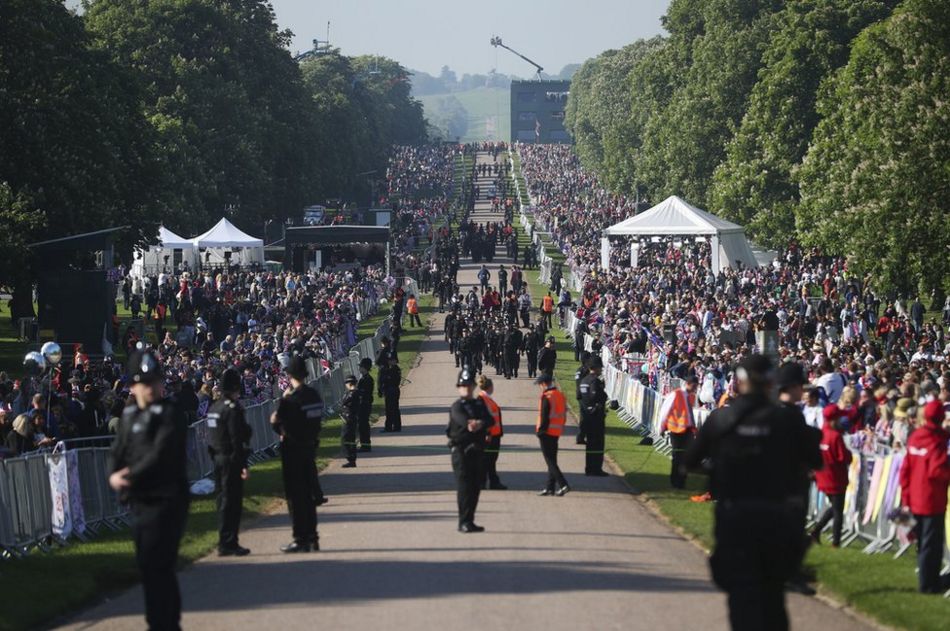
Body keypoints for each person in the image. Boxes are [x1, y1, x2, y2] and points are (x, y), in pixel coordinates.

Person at [683, 355, 821, 631]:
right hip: (776, 517)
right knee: (772, 597)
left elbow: (689, 462)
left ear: (740, 382)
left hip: (736, 516)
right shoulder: (787, 419)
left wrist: (719, 469)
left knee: (740, 597)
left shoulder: (722, 418)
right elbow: (815, 461)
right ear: (771, 382)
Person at [109, 350, 189, 631]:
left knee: (160, 565)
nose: (153, 388)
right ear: (133, 386)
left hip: (167, 499)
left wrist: (127, 476)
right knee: (148, 566)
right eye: (146, 383)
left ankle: (165, 624)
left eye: (156, 381)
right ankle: (160, 621)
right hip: (140, 502)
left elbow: (161, 453)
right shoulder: (129, 415)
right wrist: (114, 476)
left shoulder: (171, 413)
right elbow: (116, 453)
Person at [270, 356, 322, 553]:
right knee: (309, 493)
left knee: (296, 496)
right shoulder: (314, 396)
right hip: (310, 447)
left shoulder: (291, 399)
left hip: (293, 450)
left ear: (289, 375)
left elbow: (276, 422)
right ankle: (312, 535)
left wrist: (283, 400)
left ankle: (300, 537)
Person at [898, 399, 950, 594]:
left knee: (923, 542)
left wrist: (905, 496)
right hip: (932, 499)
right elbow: (937, 471)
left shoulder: (916, 436)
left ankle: (927, 579)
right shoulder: (936, 442)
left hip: (913, 496)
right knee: (932, 544)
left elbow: (905, 469)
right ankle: (929, 584)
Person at [207, 368, 252, 556]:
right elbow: (237, 438)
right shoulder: (232, 409)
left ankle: (225, 539)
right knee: (232, 502)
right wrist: (243, 465)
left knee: (222, 500)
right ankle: (228, 542)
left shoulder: (214, 409)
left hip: (217, 458)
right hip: (231, 460)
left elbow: (211, 436)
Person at [446, 367, 494, 532]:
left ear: (473, 387)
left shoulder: (479, 403)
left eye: (468, 385)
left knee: (475, 487)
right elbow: (465, 423)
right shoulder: (457, 406)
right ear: (459, 387)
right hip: (461, 452)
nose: (466, 388)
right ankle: (463, 521)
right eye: (463, 385)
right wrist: (477, 423)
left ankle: (470, 520)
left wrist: (480, 423)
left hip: (477, 451)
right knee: (464, 487)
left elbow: (490, 420)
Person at [810, 404, 852, 547]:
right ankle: (836, 543)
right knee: (838, 510)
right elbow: (843, 457)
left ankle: (815, 531)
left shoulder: (820, 434)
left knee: (834, 507)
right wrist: (849, 454)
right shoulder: (835, 436)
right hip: (836, 478)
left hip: (822, 477)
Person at [659, 375, 698, 489]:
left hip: (688, 430)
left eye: (696, 386)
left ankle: (682, 481)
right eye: (694, 386)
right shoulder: (675, 394)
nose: (695, 388)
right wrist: (661, 427)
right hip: (676, 431)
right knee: (677, 457)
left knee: (686, 457)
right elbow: (665, 411)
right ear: (688, 384)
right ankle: (675, 481)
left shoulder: (691, 397)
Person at [535, 373, 570, 496]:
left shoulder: (547, 396)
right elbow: (564, 413)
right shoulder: (560, 395)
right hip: (556, 431)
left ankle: (563, 483)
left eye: (540, 385)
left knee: (549, 460)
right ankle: (550, 487)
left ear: (544, 384)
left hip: (546, 431)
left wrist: (540, 431)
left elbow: (544, 415)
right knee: (552, 459)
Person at [579, 356, 609, 477]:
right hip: (596, 416)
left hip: (586, 414)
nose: (601, 369)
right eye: (600, 367)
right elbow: (595, 395)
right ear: (595, 368)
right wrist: (599, 404)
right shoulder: (594, 381)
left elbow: (580, 396)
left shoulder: (584, 380)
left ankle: (589, 467)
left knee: (590, 443)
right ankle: (596, 468)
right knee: (598, 443)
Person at [477, 375, 506, 490]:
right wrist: (487, 433)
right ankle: (485, 481)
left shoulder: (487, 398)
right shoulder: (482, 399)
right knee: (487, 459)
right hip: (489, 435)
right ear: (489, 387)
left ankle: (490, 481)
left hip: (495, 434)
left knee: (491, 459)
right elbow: (482, 418)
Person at [378, 354, 402, 432]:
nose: (389, 362)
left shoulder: (394, 370)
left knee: (391, 409)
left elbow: (390, 380)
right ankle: (395, 426)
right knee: (391, 409)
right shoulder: (390, 369)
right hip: (390, 390)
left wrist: (385, 377)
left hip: (392, 390)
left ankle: (390, 427)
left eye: (391, 360)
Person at [339, 375, 359, 467]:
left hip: (349, 419)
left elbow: (344, 402)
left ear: (349, 383)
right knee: (349, 438)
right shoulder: (350, 393)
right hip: (347, 418)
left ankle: (350, 457)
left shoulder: (353, 393)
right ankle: (351, 458)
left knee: (346, 438)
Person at [356, 357, 374, 451]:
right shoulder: (363, 379)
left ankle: (365, 445)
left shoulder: (367, 380)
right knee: (362, 425)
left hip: (364, 405)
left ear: (365, 368)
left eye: (361, 367)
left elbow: (363, 393)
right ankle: (364, 444)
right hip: (363, 404)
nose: (359, 369)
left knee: (363, 426)